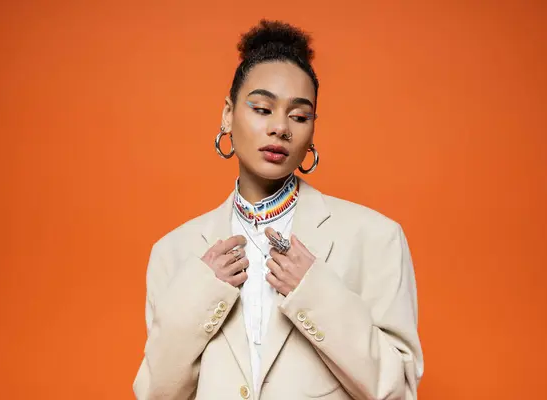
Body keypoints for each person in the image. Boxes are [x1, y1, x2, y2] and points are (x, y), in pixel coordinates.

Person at [133, 19, 424, 400]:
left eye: (300, 116)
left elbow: (398, 391)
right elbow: (155, 394)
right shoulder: (173, 252)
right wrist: (201, 293)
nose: (280, 128)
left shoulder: (376, 237)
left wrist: (315, 292)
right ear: (227, 114)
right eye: (262, 108)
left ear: (311, 131)